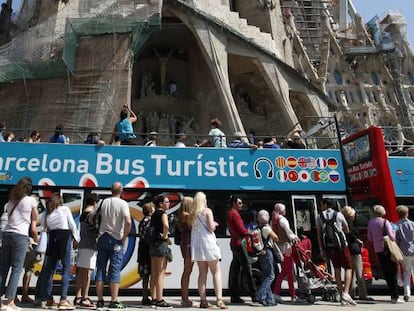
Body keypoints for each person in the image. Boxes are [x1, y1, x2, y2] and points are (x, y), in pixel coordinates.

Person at [0, 177, 39, 311]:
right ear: (29, 188)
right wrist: (37, 239)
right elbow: (34, 224)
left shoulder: (10, 201)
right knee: (16, 269)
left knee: (3, 268)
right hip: (20, 236)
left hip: (7, 235)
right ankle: (10, 301)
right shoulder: (30, 201)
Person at [38, 192, 80, 310]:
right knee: (66, 269)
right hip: (64, 238)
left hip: (52, 238)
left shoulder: (47, 212)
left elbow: (43, 227)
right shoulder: (65, 209)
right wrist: (76, 239)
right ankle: (63, 300)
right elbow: (72, 225)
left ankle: (48, 298)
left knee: (49, 271)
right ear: (60, 201)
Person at [95, 182, 131, 309]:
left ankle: (99, 300)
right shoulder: (123, 204)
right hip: (116, 239)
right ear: (121, 191)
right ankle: (114, 300)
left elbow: (94, 217)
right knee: (115, 270)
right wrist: (124, 237)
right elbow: (128, 221)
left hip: (102, 237)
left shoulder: (102, 202)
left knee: (100, 269)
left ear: (111, 190)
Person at [316, 198, 356, 306]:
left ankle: (341, 295)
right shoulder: (338, 215)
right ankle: (346, 293)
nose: (321, 207)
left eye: (321, 205)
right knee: (348, 268)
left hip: (329, 248)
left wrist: (321, 248)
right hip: (342, 246)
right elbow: (346, 229)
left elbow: (319, 234)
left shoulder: (319, 216)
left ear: (325, 205)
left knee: (336, 269)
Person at [190, 192, 227, 309]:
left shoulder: (192, 214)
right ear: (203, 200)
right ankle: (219, 300)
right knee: (216, 271)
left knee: (202, 274)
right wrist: (214, 225)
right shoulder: (207, 211)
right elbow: (211, 227)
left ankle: (203, 301)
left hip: (197, 246)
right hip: (208, 244)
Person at [367, 205, 402, 303]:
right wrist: (394, 230)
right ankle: (395, 296)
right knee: (393, 271)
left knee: (386, 272)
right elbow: (392, 237)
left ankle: (392, 294)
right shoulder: (385, 222)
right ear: (382, 212)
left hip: (378, 250)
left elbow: (370, 238)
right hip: (388, 249)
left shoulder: (370, 222)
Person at [226, 195, 258, 304]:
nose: (241, 205)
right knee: (247, 268)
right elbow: (241, 230)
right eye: (239, 203)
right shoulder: (235, 214)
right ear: (234, 203)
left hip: (234, 243)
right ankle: (254, 295)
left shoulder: (230, 213)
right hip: (240, 244)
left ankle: (234, 295)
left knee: (235, 270)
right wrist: (250, 233)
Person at [271, 203, 303, 303]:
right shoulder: (283, 220)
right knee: (289, 272)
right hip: (286, 247)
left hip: (279, 248)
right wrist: (296, 238)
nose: (285, 211)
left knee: (284, 271)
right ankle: (293, 296)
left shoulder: (274, 220)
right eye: (284, 209)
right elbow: (289, 233)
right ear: (281, 211)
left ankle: (275, 293)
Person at [74, 193, 100, 308]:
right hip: (91, 245)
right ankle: (85, 297)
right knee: (88, 273)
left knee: (81, 272)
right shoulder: (92, 214)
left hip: (82, 243)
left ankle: (78, 296)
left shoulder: (83, 214)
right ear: (95, 202)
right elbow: (96, 228)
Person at [341, 206, 372, 301]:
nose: (355, 216)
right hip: (354, 249)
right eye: (354, 214)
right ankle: (363, 294)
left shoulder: (343, 223)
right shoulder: (350, 224)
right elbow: (351, 234)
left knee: (352, 272)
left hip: (348, 249)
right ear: (350, 215)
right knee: (359, 273)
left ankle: (351, 293)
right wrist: (357, 240)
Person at [149, 195, 173, 309]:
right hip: (161, 245)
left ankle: (153, 297)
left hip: (153, 245)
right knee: (160, 273)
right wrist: (165, 236)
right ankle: (160, 299)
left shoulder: (153, 215)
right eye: (167, 202)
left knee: (154, 272)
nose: (169, 204)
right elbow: (166, 225)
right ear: (160, 204)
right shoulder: (163, 214)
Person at [256, 210, 278, 306]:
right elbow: (276, 238)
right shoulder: (266, 228)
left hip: (260, 253)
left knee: (266, 275)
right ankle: (260, 295)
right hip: (267, 252)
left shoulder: (258, 228)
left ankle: (270, 300)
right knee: (271, 276)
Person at [177, 197, 194, 307]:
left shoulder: (182, 214)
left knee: (188, 270)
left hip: (186, 243)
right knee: (187, 271)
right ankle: (185, 298)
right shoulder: (186, 215)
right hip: (188, 244)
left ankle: (185, 297)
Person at [137, 202, 155, 306]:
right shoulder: (150, 221)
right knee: (152, 273)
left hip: (142, 248)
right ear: (151, 210)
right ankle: (153, 296)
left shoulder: (142, 221)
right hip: (148, 249)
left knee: (145, 275)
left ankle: (144, 296)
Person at [395, 205, 414, 302]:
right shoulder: (413, 224)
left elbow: (394, 238)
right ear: (407, 213)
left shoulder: (396, 225)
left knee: (407, 272)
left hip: (404, 252)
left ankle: (407, 293)